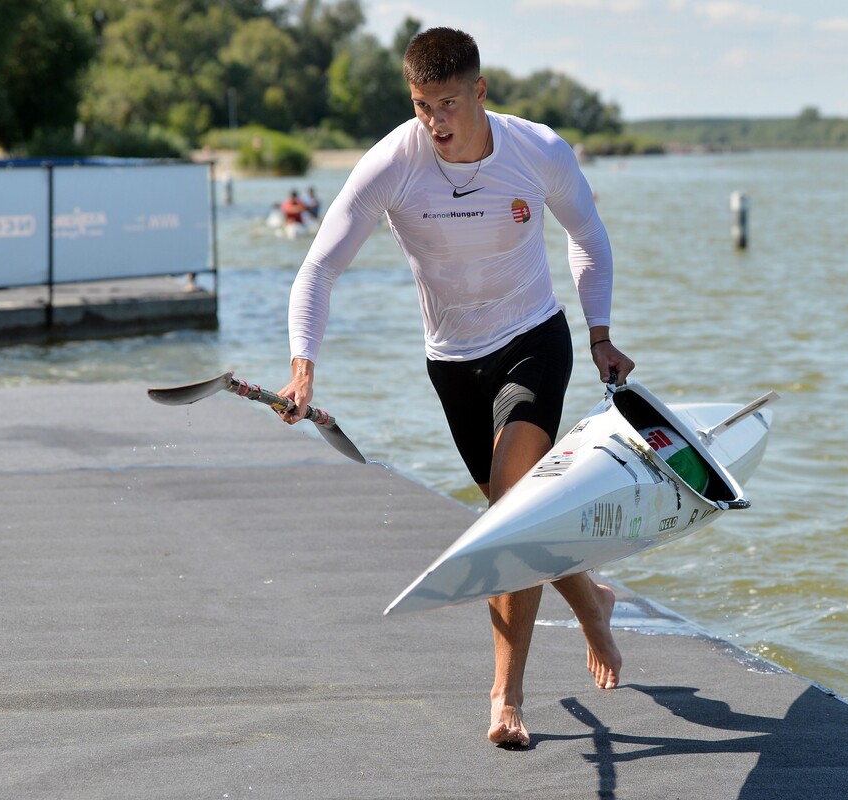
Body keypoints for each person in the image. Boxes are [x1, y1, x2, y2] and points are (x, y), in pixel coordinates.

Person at [278, 27, 634, 748]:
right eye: (420, 105)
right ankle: (591, 598)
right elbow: (319, 268)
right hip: (452, 363)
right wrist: (303, 365)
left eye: (446, 103)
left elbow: (589, 236)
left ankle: (506, 697)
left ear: (479, 90)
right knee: (518, 516)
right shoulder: (394, 163)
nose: (434, 122)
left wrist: (598, 334)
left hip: (534, 340)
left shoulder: (538, 151)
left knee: (510, 512)